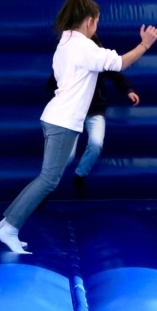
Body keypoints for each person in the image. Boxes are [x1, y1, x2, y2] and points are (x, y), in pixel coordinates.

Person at [0, 0, 157, 253]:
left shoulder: (65, 43)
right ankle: (10, 228)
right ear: (89, 20)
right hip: (63, 122)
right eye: (97, 21)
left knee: (46, 177)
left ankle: (7, 222)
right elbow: (119, 64)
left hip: (55, 118)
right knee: (48, 180)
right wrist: (145, 45)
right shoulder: (83, 47)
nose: (97, 26)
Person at [45, 34, 139, 198]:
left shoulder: (99, 58)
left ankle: (80, 176)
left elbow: (116, 74)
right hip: (72, 112)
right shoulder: (69, 62)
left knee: (96, 143)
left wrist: (128, 90)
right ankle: (46, 186)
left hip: (95, 110)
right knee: (67, 156)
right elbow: (52, 86)